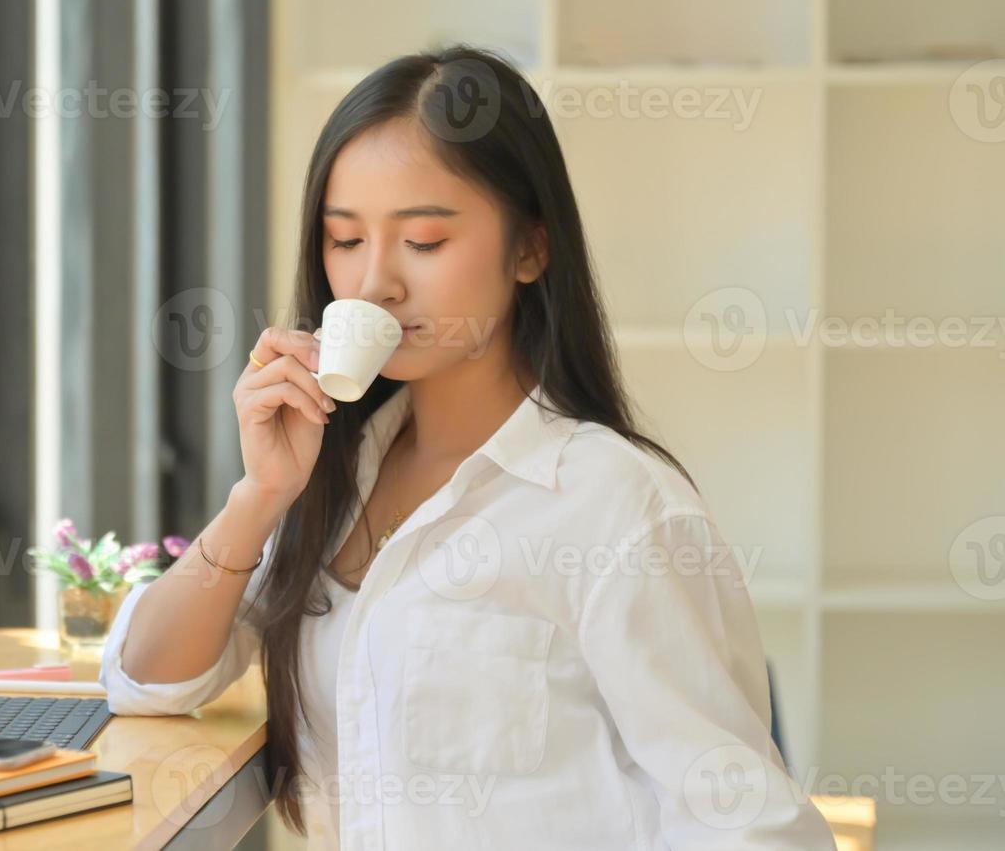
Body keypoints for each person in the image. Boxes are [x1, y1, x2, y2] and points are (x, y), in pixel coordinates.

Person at [98, 46, 835, 849]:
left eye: (422, 242)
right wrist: (259, 498)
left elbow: (752, 829)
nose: (375, 282)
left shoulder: (614, 506)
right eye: (344, 241)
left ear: (529, 249)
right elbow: (149, 682)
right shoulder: (334, 476)